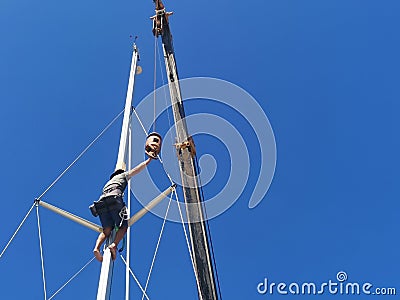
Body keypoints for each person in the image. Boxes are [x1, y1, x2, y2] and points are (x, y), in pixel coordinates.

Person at [93, 158, 152, 262]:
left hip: (101, 203)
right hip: (114, 199)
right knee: (123, 227)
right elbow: (137, 170)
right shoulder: (123, 176)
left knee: (106, 230)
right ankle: (114, 245)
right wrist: (149, 160)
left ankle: (96, 248)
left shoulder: (108, 182)